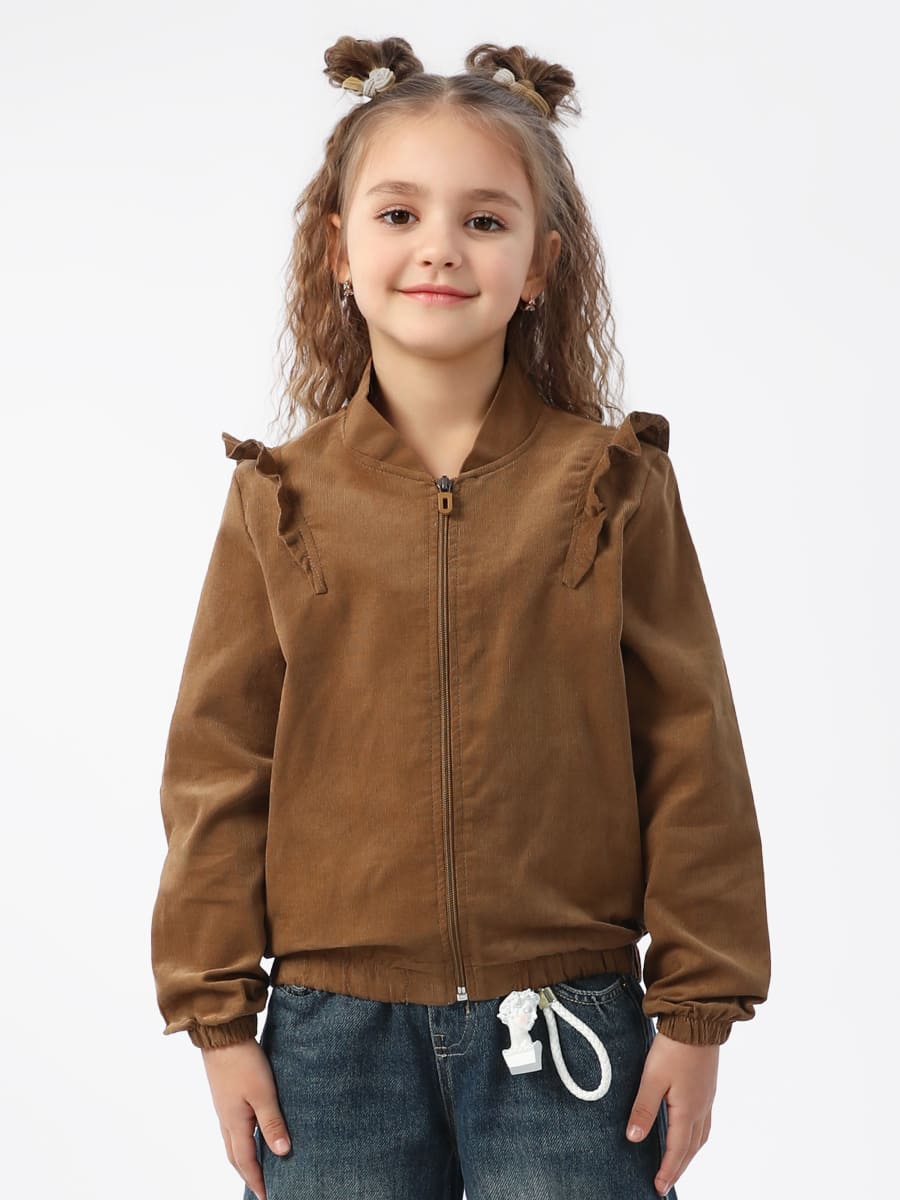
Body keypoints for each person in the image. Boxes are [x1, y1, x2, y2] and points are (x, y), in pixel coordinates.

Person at [150, 35, 771, 1200]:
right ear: (338, 249)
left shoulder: (612, 484)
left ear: (540, 264)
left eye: (485, 220)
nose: (439, 245)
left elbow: (692, 750)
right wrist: (220, 1021)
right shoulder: (280, 498)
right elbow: (218, 768)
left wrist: (697, 1011)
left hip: (570, 1025)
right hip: (332, 1043)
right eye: (399, 214)